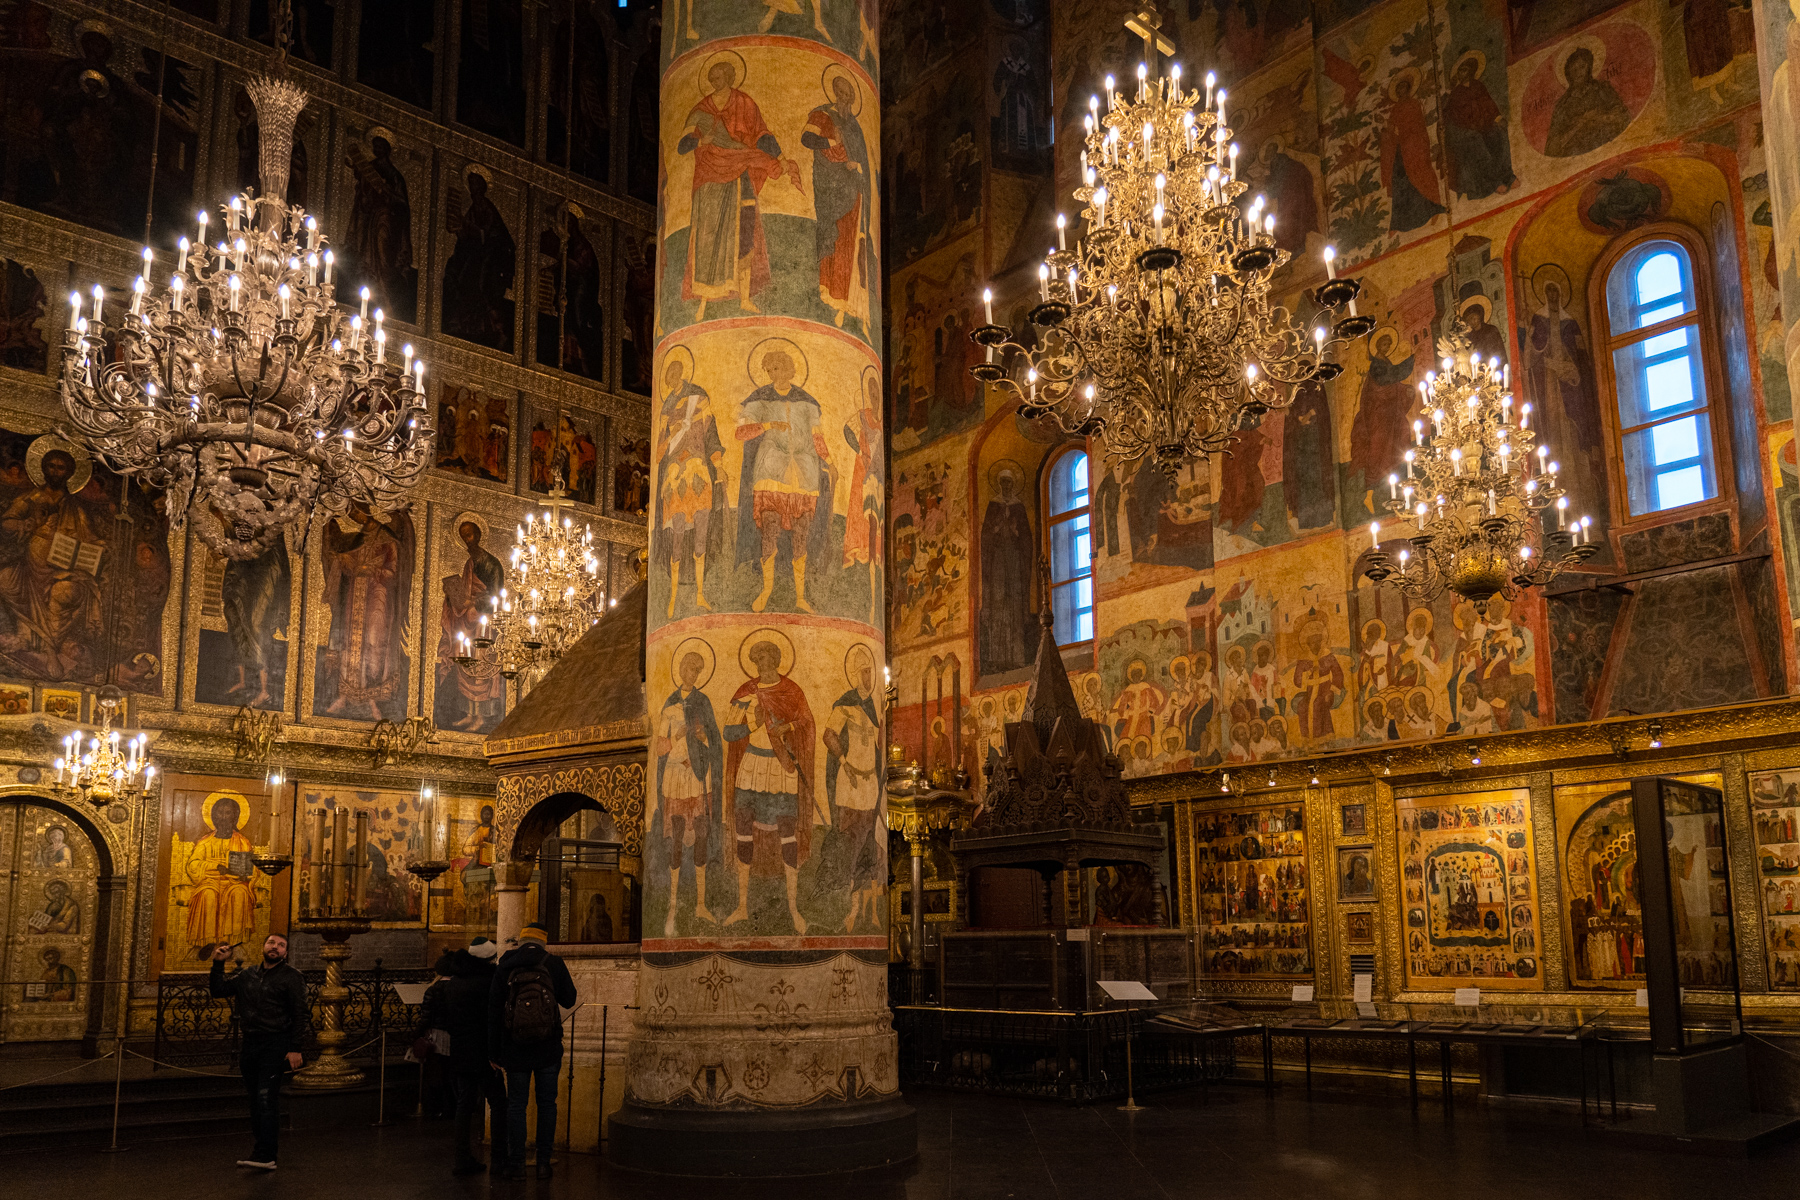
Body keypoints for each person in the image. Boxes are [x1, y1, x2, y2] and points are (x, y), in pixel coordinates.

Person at [210, 935, 308, 1171]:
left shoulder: (292, 977)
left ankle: (267, 1154)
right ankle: (259, 1150)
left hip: (276, 1043)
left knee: (266, 1098)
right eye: (271, 943)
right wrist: (218, 963)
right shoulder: (248, 975)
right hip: (251, 1043)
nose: (275, 947)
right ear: (263, 947)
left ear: (285, 953)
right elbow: (218, 990)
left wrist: (295, 1048)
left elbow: (300, 1014)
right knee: (255, 1098)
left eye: (281, 945)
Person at [488, 924, 577, 1180]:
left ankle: (516, 1164)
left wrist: (494, 1053)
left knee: (517, 1105)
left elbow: (493, 1011)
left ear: (521, 941)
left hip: (514, 1049)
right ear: (543, 943)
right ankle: (543, 1163)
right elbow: (569, 999)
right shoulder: (553, 963)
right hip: (547, 1048)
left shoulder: (505, 964)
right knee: (547, 1104)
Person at [416, 938, 507, 1176]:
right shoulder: (490, 983)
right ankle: (499, 1160)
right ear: (489, 960)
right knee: (498, 1103)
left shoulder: (454, 983)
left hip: (460, 1052)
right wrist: (494, 1054)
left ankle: (462, 1158)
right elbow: (493, 1021)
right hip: (485, 1055)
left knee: (464, 1105)